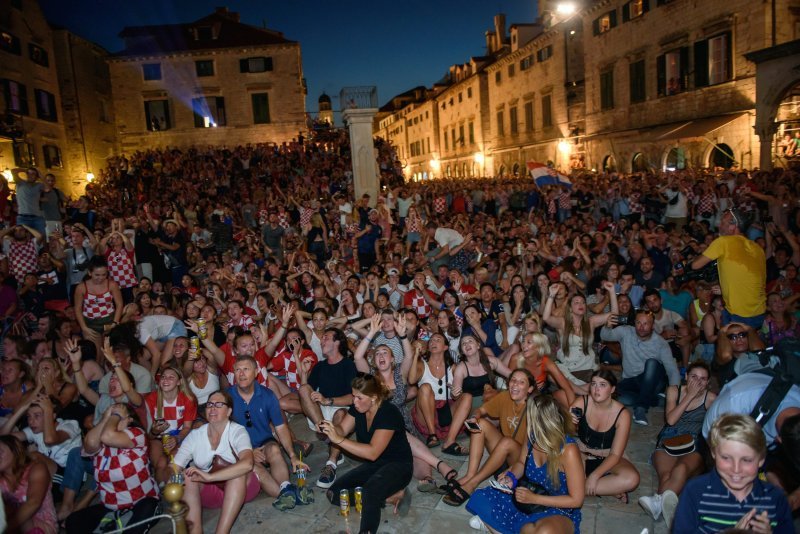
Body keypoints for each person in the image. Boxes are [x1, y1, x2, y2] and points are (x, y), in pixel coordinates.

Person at [465, 394, 585, 534]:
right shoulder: (532, 435)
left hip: (557, 508)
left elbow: (576, 500)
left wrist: (535, 498)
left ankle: (497, 527)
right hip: (528, 497)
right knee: (480, 498)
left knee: (544, 531)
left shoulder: (568, 450)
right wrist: (511, 477)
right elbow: (521, 463)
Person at [318, 373, 414, 534]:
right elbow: (342, 430)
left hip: (399, 466)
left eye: (359, 398)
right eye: (353, 396)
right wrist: (330, 428)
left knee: (370, 491)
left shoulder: (388, 413)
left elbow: (372, 453)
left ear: (374, 397)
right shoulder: (358, 409)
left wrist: (339, 440)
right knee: (335, 494)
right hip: (376, 466)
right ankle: (389, 497)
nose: (354, 402)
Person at [673, 413, 794, 534]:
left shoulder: (776, 498)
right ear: (713, 453)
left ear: (761, 459)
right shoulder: (695, 491)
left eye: (746, 460)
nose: (736, 469)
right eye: (726, 458)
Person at [638, 361, 717, 527]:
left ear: (708, 382)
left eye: (703, 379)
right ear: (686, 377)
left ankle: (657, 503)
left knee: (680, 469)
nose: (698, 382)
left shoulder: (710, 399)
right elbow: (671, 420)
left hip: (694, 441)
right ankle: (667, 508)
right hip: (670, 438)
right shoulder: (674, 390)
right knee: (666, 474)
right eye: (694, 377)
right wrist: (689, 396)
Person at [171, 390, 260, 534]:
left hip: (243, 488)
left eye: (219, 405)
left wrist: (210, 477)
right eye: (210, 404)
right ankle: (195, 531)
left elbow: (248, 463)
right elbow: (175, 466)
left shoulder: (237, 430)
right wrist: (172, 475)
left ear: (229, 411)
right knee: (187, 475)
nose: (213, 408)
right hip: (212, 493)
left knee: (236, 473)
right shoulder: (195, 435)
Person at [229, 357, 311, 510]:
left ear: (256, 372)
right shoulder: (227, 397)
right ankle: (286, 494)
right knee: (252, 465)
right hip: (239, 448)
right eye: (237, 370)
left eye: (246, 369)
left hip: (264, 442)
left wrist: (293, 456)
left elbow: (280, 428)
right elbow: (222, 434)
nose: (241, 374)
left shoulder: (267, 395)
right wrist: (246, 452)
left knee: (274, 449)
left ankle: (287, 490)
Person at [446, 368, 536, 506]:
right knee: (481, 423)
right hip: (503, 453)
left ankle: (472, 484)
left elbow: (534, 448)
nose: (515, 385)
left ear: (530, 389)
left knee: (507, 441)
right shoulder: (505, 396)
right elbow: (481, 410)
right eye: (513, 380)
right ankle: (470, 475)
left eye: (521, 382)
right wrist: (475, 416)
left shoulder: (534, 408)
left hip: (521, 462)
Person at [64, 403, 158, 534]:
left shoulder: (137, 434)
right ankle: (116, 523)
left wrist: (115, 414)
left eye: (118, 416)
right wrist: (105, 418)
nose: (113, 419)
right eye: (112, 416)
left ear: (130, 419)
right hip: (111, 508)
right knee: (73, 521)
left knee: (145, 510)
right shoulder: (100, 443)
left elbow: (108, 436)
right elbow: (90, 444)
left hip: (141, 503)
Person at [298, 327, 358, 489]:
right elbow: (306, 393)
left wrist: (328, 401)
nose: (321, 340)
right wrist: (304, 374)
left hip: (341, 407)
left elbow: (354, 398)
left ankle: (331, 464)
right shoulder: (320, 366)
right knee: (303, 389)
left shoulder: (348, 365)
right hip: (322, 412)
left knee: (340, 414)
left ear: (337, 342)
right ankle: (324, 429)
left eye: (325, 337)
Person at [600, 309, 681, 426]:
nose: (641, 327)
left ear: (652, 325)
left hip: (653, 381)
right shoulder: (626, 331)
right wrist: (607, 326)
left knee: (652, 363)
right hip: (631, 380)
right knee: (615, 394)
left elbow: (672, 370)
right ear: (634, 323)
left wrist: (675, 391)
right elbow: (606, 336)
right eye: (638, 323)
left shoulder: (660, 343)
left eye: (645, 323)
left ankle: (641, 408)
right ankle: (655, 400)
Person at [569, 370, 640, 503]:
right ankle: (608, 488)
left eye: (602, 385)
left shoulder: (622, 414)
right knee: (553, 467)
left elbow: (615, 454)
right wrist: (568, 422)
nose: (596, 389)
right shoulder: (581, 402)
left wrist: (595, 476)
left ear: (612, 389)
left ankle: (577, 488)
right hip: (581, 453)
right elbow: (564, 434)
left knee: (632, 479)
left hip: (608, 457)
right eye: (594, 384)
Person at [690, 207, 766, 328]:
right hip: (760, 312)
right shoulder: (757, 248)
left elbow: (695, 265)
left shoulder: (723, 242)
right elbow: (747, 276)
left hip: (739, 314)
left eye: (723, 222)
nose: (719, 225)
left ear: (733, 226)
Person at [439, 334, 512, 456]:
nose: (467, 344)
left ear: (478, 345)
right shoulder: (462, 367)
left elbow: (512, 375)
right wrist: (454, 393)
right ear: (462, 351)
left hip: (487, 405)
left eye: (470, 341)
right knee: (467, 396)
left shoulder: (491, 361)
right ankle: (449, 442)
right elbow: (456, 397)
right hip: (468, 407)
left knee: (502, 400)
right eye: (463, 344)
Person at [143, 366, 197, 483]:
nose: (165, 380)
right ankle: (162, 491)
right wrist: (154, 431)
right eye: (163, 377)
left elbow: (187, 427)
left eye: (171, 377)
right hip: (156, 438)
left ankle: (176, 488)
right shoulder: (150, 399)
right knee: (161, 463)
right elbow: (146, 435)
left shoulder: (188, 399)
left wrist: (176, 438)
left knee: (173, 462)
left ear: (179, 382)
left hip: (179, 435)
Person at [0, 434, 57, 534]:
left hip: (42, 526)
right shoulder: (2, 480)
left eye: (0, 452)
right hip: (12, 524)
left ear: (14, 450)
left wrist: (4, 529)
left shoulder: (36, 468)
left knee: (21, 519)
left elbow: (33, 503)